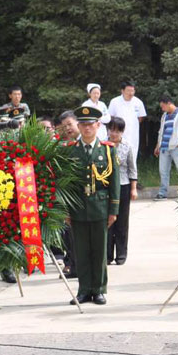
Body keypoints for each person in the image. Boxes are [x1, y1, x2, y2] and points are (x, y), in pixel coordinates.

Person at [67, 106, 120, 305]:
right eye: (83, 125)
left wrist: (113, 210)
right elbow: (65, 183)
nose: (87, 128)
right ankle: (83, 289)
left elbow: (114, 181)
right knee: (80, 251)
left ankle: (98, 289)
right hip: (78, 207)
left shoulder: (107, 149)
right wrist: (65, 209)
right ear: (78, 126)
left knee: (99, 251)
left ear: (98, 125)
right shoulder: (70, 150)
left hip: (100, 207)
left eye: (91, 124)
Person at [105, 117, 137, 265]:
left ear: (122, 132)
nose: (114, 133)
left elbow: (132, 169)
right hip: (106, 187)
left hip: (123, 185)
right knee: (108, 221)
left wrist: (133, 188)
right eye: (112, 130)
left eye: (117, 131)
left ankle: (121, 254)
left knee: (122, 221)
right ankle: (107, 254)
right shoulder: (102, 145)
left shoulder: (127, 146)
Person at [154, 94, 178, 200]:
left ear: (169, 103)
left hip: (177, 147)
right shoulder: (164, 116)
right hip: (164, 147)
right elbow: (161, 131)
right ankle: (162, 193)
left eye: (163, 106)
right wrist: (158, 145)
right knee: (163, 171)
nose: (162, 108)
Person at [107, 80, 146, 165]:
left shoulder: (138, 102)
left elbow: (140, 118)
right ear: (122, 91)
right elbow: (110, 117)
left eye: (133, 91)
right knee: (115, 159)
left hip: (133, 136)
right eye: (128, 91)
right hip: (117, 136)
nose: (131, 93)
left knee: (132, 158)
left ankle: (131, 177)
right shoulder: (114, 101)